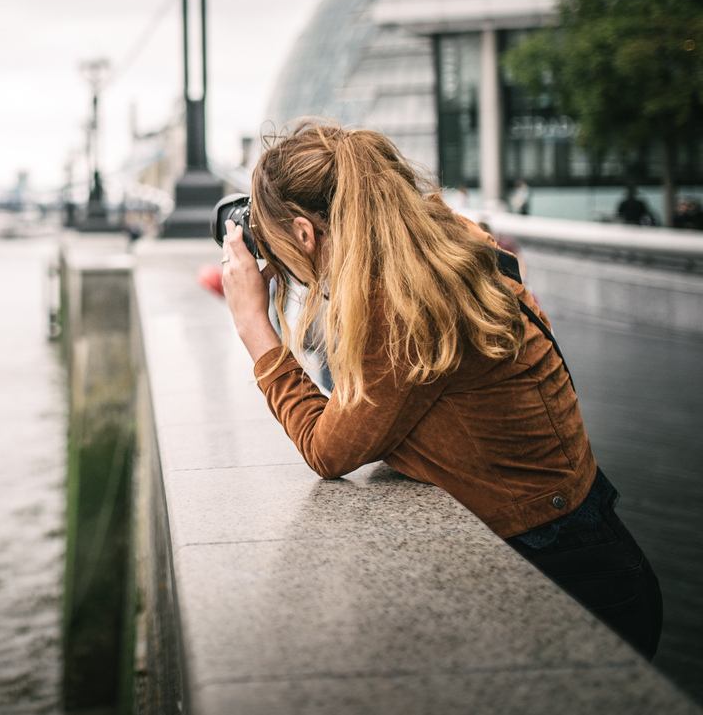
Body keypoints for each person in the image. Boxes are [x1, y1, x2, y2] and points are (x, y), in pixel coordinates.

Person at [217, 124, 662, 659]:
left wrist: (253, 326)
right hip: (591, 546)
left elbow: (326, 449)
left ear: (306, 235)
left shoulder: (401, 307)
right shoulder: (442, 242)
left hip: (569, 581)